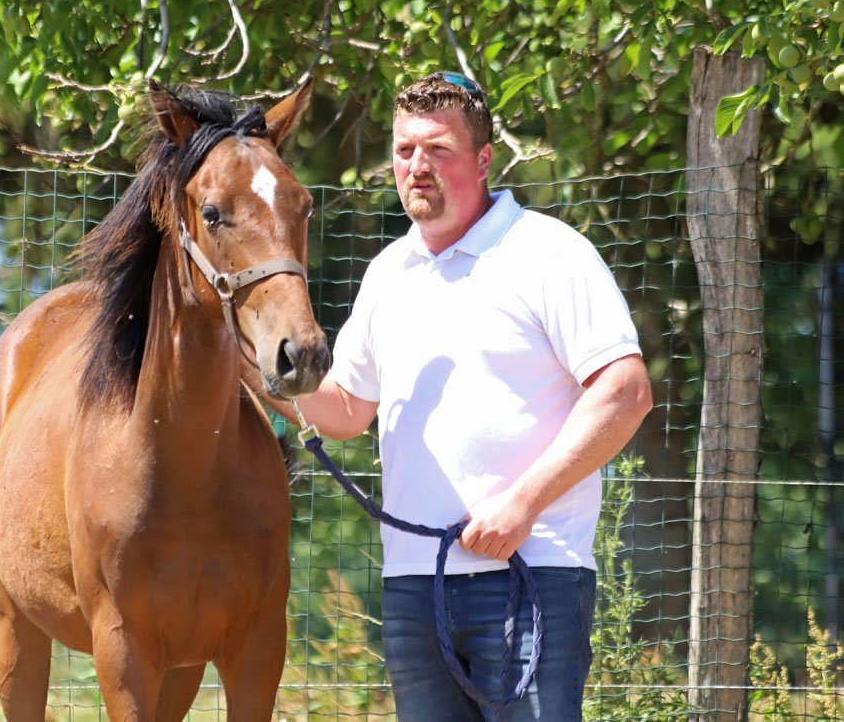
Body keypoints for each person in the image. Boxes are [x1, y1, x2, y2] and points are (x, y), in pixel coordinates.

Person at [259, 72, 653, 720]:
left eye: (438, 149)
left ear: (484, 158)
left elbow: (625, 391)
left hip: (532, 574)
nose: (417, 166)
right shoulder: (388, 272)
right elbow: (345, 409)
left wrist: (522, 504)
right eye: (404, 149)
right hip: (414, 588)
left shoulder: (549, 254)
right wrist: (251, 366)